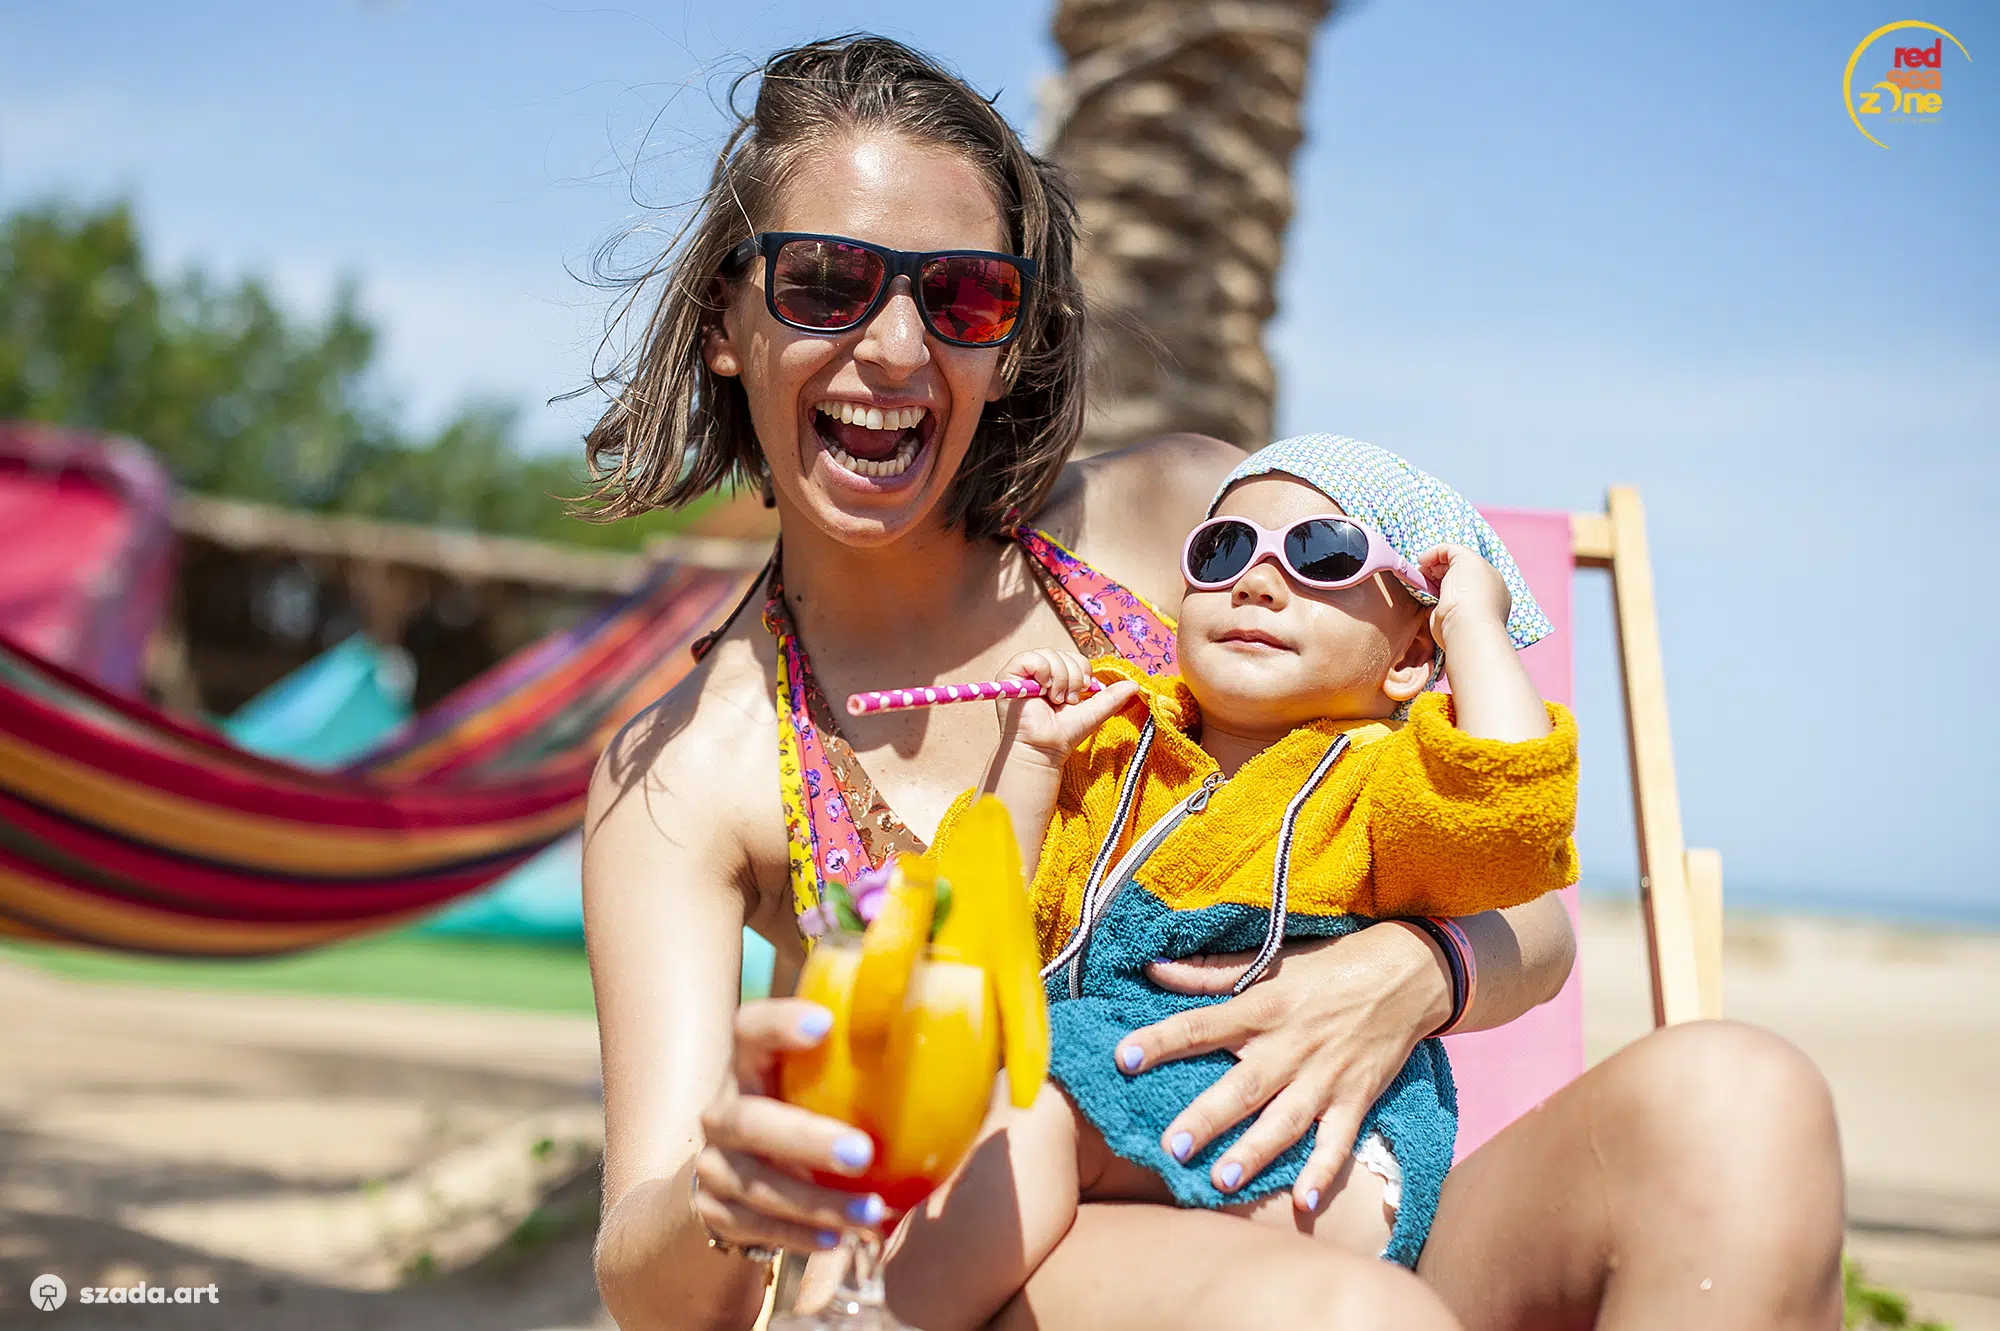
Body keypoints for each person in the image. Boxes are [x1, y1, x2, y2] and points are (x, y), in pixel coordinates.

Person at [581, 33, 1846, 1331]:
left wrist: (1411, 967)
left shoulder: (1194, 530)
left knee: (1739, 1098)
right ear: (725, 321)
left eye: (963, 297)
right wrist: (728, 1187)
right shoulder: (690, 768)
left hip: (1341, 1196)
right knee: (1341, 1317)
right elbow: (647, 1280)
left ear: (1008, 345)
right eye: (826, 282)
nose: (898, 346)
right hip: (1011, 1250)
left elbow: (1531, 920)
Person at [884, 436, 1582, 1329]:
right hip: (1133, 1137)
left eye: (1321, 556)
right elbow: (968, 941)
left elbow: (1511, 815)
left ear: (1410, 655)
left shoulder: (1382, 788)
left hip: (1323, 1148)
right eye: (1222, 551)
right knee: (974, 1106)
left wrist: (1473, 622)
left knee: (1034, 1097)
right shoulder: (1109, 756)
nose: (1256, 581)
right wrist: (1028, 763)